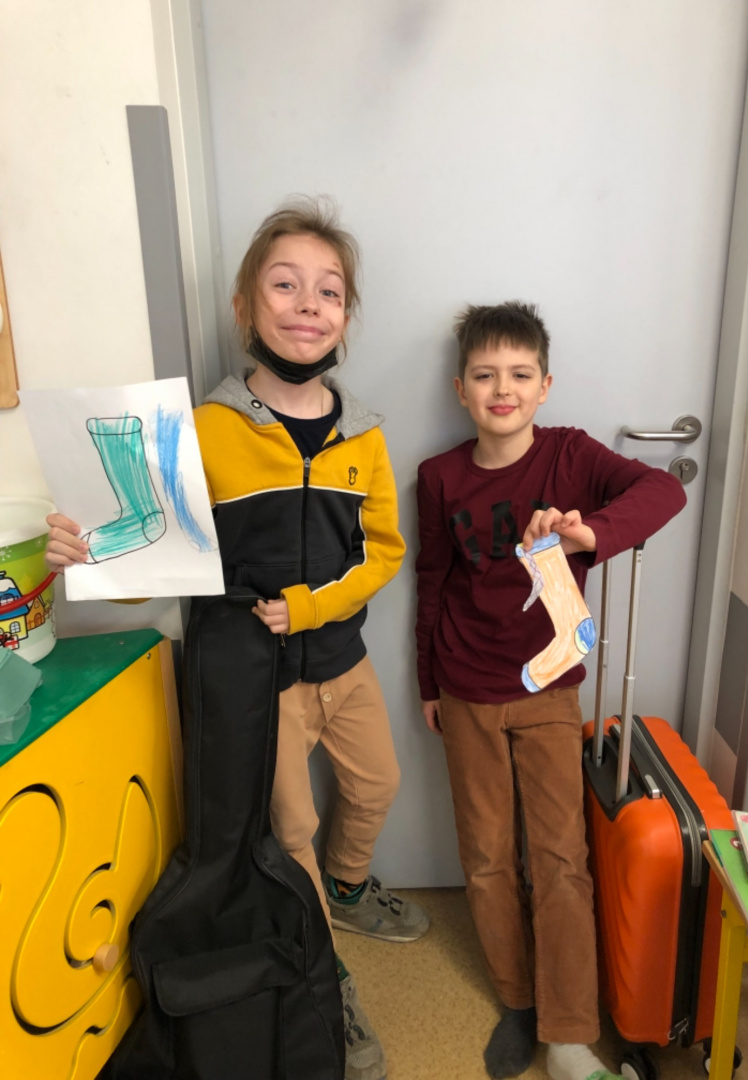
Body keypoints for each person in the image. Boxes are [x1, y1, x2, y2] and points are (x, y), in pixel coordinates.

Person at [45, 197, 428, 1080]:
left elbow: (383, 552)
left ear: (346, 315)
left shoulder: (364, 432)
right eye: (285, 285)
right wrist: (86, 553)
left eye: (329, 291)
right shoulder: (204, 431)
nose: (308, 304)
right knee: (289, 832)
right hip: (257, 681)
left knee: (379, 783)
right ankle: (325, 975)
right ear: (244, 307)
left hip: (342, 659)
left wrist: (313, 607)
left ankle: (348, 887)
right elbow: (160, 552)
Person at [415, 301, 686, 1080]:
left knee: (561, 858)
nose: (503, 389)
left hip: (548, 690)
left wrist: (590, 533)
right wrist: (429, 681)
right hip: (465, 689)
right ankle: (518, 1001)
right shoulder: (439, 477)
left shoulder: (570, 455)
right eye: (485, 375)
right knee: (487, 856)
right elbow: (432, 582)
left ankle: (569, 1032)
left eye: (520, 374)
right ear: (461, 389)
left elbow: (662, 491)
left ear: (544, 385)